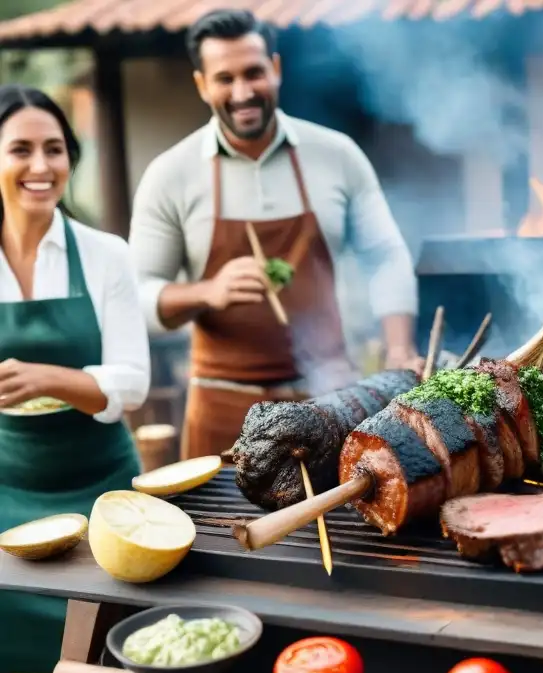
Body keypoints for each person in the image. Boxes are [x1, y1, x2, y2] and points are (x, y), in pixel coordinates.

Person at [129, 8, 422, 460]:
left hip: (327, 402)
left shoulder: (337, 155)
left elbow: (386, 256)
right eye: (224, 78)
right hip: (221, 410)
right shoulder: (170, 174)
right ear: (202, 85)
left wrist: (399, 348)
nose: (243, 92)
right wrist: (208, 291)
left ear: (276, 69)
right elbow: (138, 299)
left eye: (254, 73)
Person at [0, 86, 149, 673]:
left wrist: (55, 379)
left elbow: (134, 381)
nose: (41, 165)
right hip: (4, 486)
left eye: (54, 149)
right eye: (21, 149)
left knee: (96, 661)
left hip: (98, 488)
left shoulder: (106, 253)